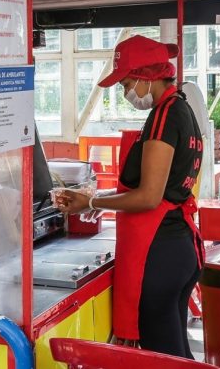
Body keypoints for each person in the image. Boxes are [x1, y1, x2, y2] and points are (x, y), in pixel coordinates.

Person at [53, 35, 203, 358]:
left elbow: (149, 196)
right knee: (175, 357)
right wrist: (94, 197)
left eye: (126, 83)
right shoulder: (182, 110)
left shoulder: (166, 116)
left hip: (160, 253)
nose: (125, 92)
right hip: (177, 250)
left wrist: (91, 202)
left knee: (161, 359)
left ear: (147, 75)